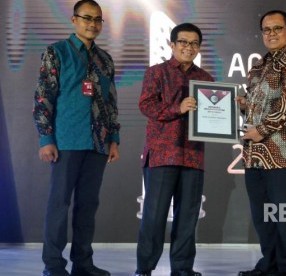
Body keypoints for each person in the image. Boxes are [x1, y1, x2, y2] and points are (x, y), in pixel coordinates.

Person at [32, 1, 120, 276]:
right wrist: (46, 138)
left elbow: (111, 102)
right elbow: (43, 97)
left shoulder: (105, 59)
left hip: (98, 143)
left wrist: (113, 138)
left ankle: (83, 263)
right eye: (86, 18)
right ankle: (54, 265)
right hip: (67, 141)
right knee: (59, 204)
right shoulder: (57, 52)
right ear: (74, 20)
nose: (92, 24)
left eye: (97, 20)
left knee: (88, 205)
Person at [236, 10, 286, 276]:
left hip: (285, 154)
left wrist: (262, 129)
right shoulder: (259, 65)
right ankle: (269, 265)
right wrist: (243, 106)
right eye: (266, 29)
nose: (271, 34)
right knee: (263, 219)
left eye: (277, 28)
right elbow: (259, 105)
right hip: (255, 155)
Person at [134, 23, 214, 276]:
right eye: (183, 42)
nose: (188, 47)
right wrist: (176, 109)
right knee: (154, 218)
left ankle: (182, 269)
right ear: (172, 44)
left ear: (199, 48)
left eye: (193, 43)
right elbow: (146, 105)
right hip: (162, 154)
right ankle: (144, 269)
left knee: (188, 218)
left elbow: (215, 115)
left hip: (193, 156)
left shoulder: (206, 79)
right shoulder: (156, 73)